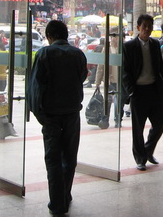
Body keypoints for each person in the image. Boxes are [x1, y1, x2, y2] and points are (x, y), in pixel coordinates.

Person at [27, 20, 87, 216]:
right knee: (69, 157)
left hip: (51, 114)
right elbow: (82, 77)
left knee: (53, 159)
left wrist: (39, 113)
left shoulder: (44, 54)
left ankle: (57, 204)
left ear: (49, 36)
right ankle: (65, 195)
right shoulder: (78, 54)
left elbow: (36, 86)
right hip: (72, 113)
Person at [122, 14, 163, 171]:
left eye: (149, 26)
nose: (147, 29)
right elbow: (125, 71)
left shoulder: (155, 44)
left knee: (159, 125)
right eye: (144, 26)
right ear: (138, 27)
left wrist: (162, 88)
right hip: (138, 92)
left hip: (154, 91)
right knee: (138, 129)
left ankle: (148, 151)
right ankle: (140, 159)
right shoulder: (129, 46)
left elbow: (160, 68)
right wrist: (131, 91)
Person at [94, 27, 122, 128]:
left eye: (116, 36)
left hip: (120, 80)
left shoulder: (122, 49)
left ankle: (118, 120)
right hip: (110, 80)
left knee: (118, 102)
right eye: (113, 36)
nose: (114, 38)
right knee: (108, 101)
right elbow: (101, 66)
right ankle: (105, 120)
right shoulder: (106, 49)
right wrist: (97, 81)